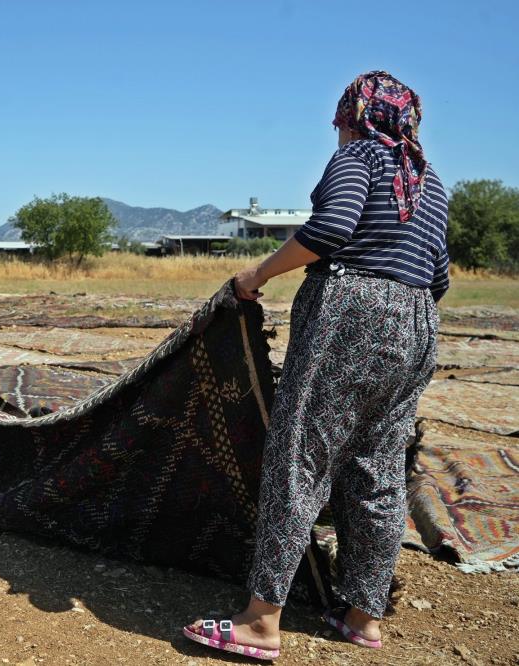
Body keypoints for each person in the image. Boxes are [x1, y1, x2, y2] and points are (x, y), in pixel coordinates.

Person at [183, 71, 449, 660]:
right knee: (376, 468)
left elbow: (328, 230)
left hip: (352, 308)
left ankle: (260, 620)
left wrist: (257, 276)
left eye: (340, 120)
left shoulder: (361, 157)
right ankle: (363, 616)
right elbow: (440, 278)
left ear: (353, 116)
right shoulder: (432, 185)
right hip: (417, 321)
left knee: (299, 456)